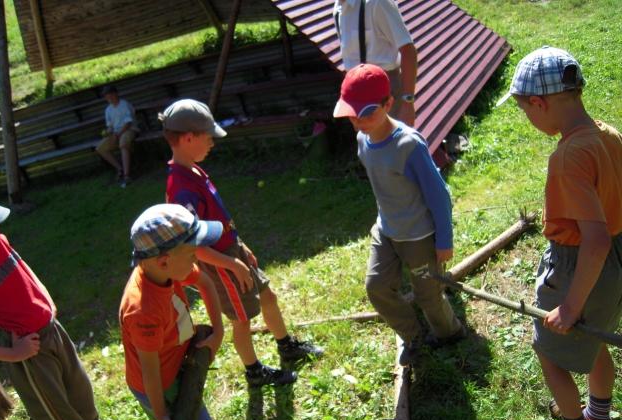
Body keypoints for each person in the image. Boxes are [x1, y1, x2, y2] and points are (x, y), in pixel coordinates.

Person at [497, 46, 622, 420]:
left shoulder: (568, 156)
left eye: (524, 111)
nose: (528, 118)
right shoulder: (609, 135)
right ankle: (598, 418)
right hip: (616, 263)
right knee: (595, 337)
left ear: (539, 103)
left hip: (578, 265)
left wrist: (569, 306)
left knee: (550, 352)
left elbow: (594, 240)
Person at [159, 99, 326, 388]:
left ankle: (286, 346)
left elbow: (217, 216)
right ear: (188, 138)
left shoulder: (194, 170)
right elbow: (194, 246)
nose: (212, 143)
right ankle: (254, 373)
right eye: (208, 137)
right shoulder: (182, 189)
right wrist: (232, 264)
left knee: (268, 296)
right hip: (219, 263)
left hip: (232, 252)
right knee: (242, 320)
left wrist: (240, 245)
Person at [333, 64, 465, 366]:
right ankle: (412, 334)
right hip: (387, 230)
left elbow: (439, 196)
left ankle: (450, 333)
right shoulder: (363, 139)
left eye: (367, 113)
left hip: (419, 237)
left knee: (428, 293)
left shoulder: (408, 145)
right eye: (352, 115)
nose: (359, 122)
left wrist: (444, 240)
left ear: (388, 103)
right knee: (376, 287)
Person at [0, 194, 121, 420]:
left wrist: (45, 296)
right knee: (58, 413)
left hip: (51, 327)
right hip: (28, 349)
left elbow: (23, 267)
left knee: (79, 386)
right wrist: (13, 353)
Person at [120, 203, 250, 420]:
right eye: (192, 254)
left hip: (176, 365)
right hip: (159, 386)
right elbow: (150, 371)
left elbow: (206, 283)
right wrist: (161, 414)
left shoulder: (166, 269)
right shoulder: (143, 310)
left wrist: (218, 331)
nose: (196, 260)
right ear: (164, 261)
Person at [333, 0, 417, 126]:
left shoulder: (377, 3)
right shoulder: (338, 7)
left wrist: (407, 103)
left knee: (390, 137)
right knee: (367, 138)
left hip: (385, 91)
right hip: (357, 94)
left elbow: (408, 50)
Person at [96, 84, 139, 185]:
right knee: (100, 148)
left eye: (112, 96)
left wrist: (117, 135)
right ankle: (120, 169)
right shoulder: (108, 110)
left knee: (123, 143)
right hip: (116, 132)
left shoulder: (124, 105)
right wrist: (107, 133)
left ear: (117, 94)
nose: (110, 99)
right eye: (107, 97)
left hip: (130, 129)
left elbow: (128, 123)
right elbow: (110, 127)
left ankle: (127, 175)